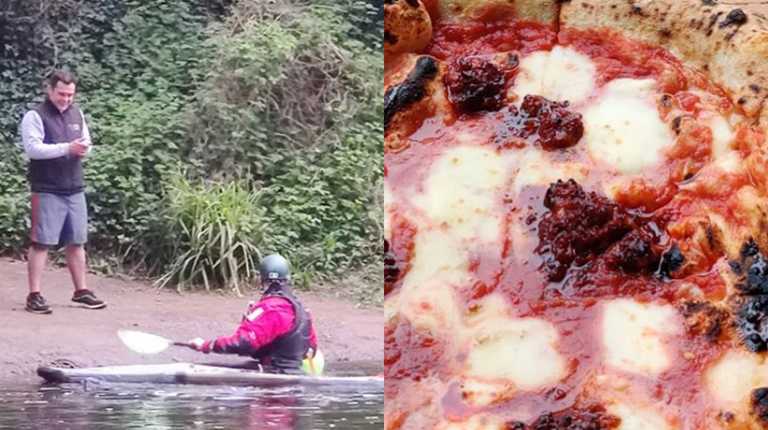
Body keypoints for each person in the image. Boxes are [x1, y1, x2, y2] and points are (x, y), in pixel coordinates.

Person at [19, 70, 106, 314]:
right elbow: (34, 149)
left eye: (70, 95)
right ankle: (34, 295)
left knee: (77, 242)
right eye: (62, 94)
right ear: (50, 90)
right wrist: (68, 147)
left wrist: (83, 148)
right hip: (46, 188)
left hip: (74, 187)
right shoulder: (34, 116)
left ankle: (81, 291)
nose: (66, 99)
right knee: (41, 242)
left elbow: (86, 143)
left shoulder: (77, 114)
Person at [188, 254, 319, 374]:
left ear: (263, 280)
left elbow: (243, 343)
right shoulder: (302, 310)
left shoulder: (271, 308)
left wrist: (206, 345)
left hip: (273, 378)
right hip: (294, 375)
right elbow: (311, 349)